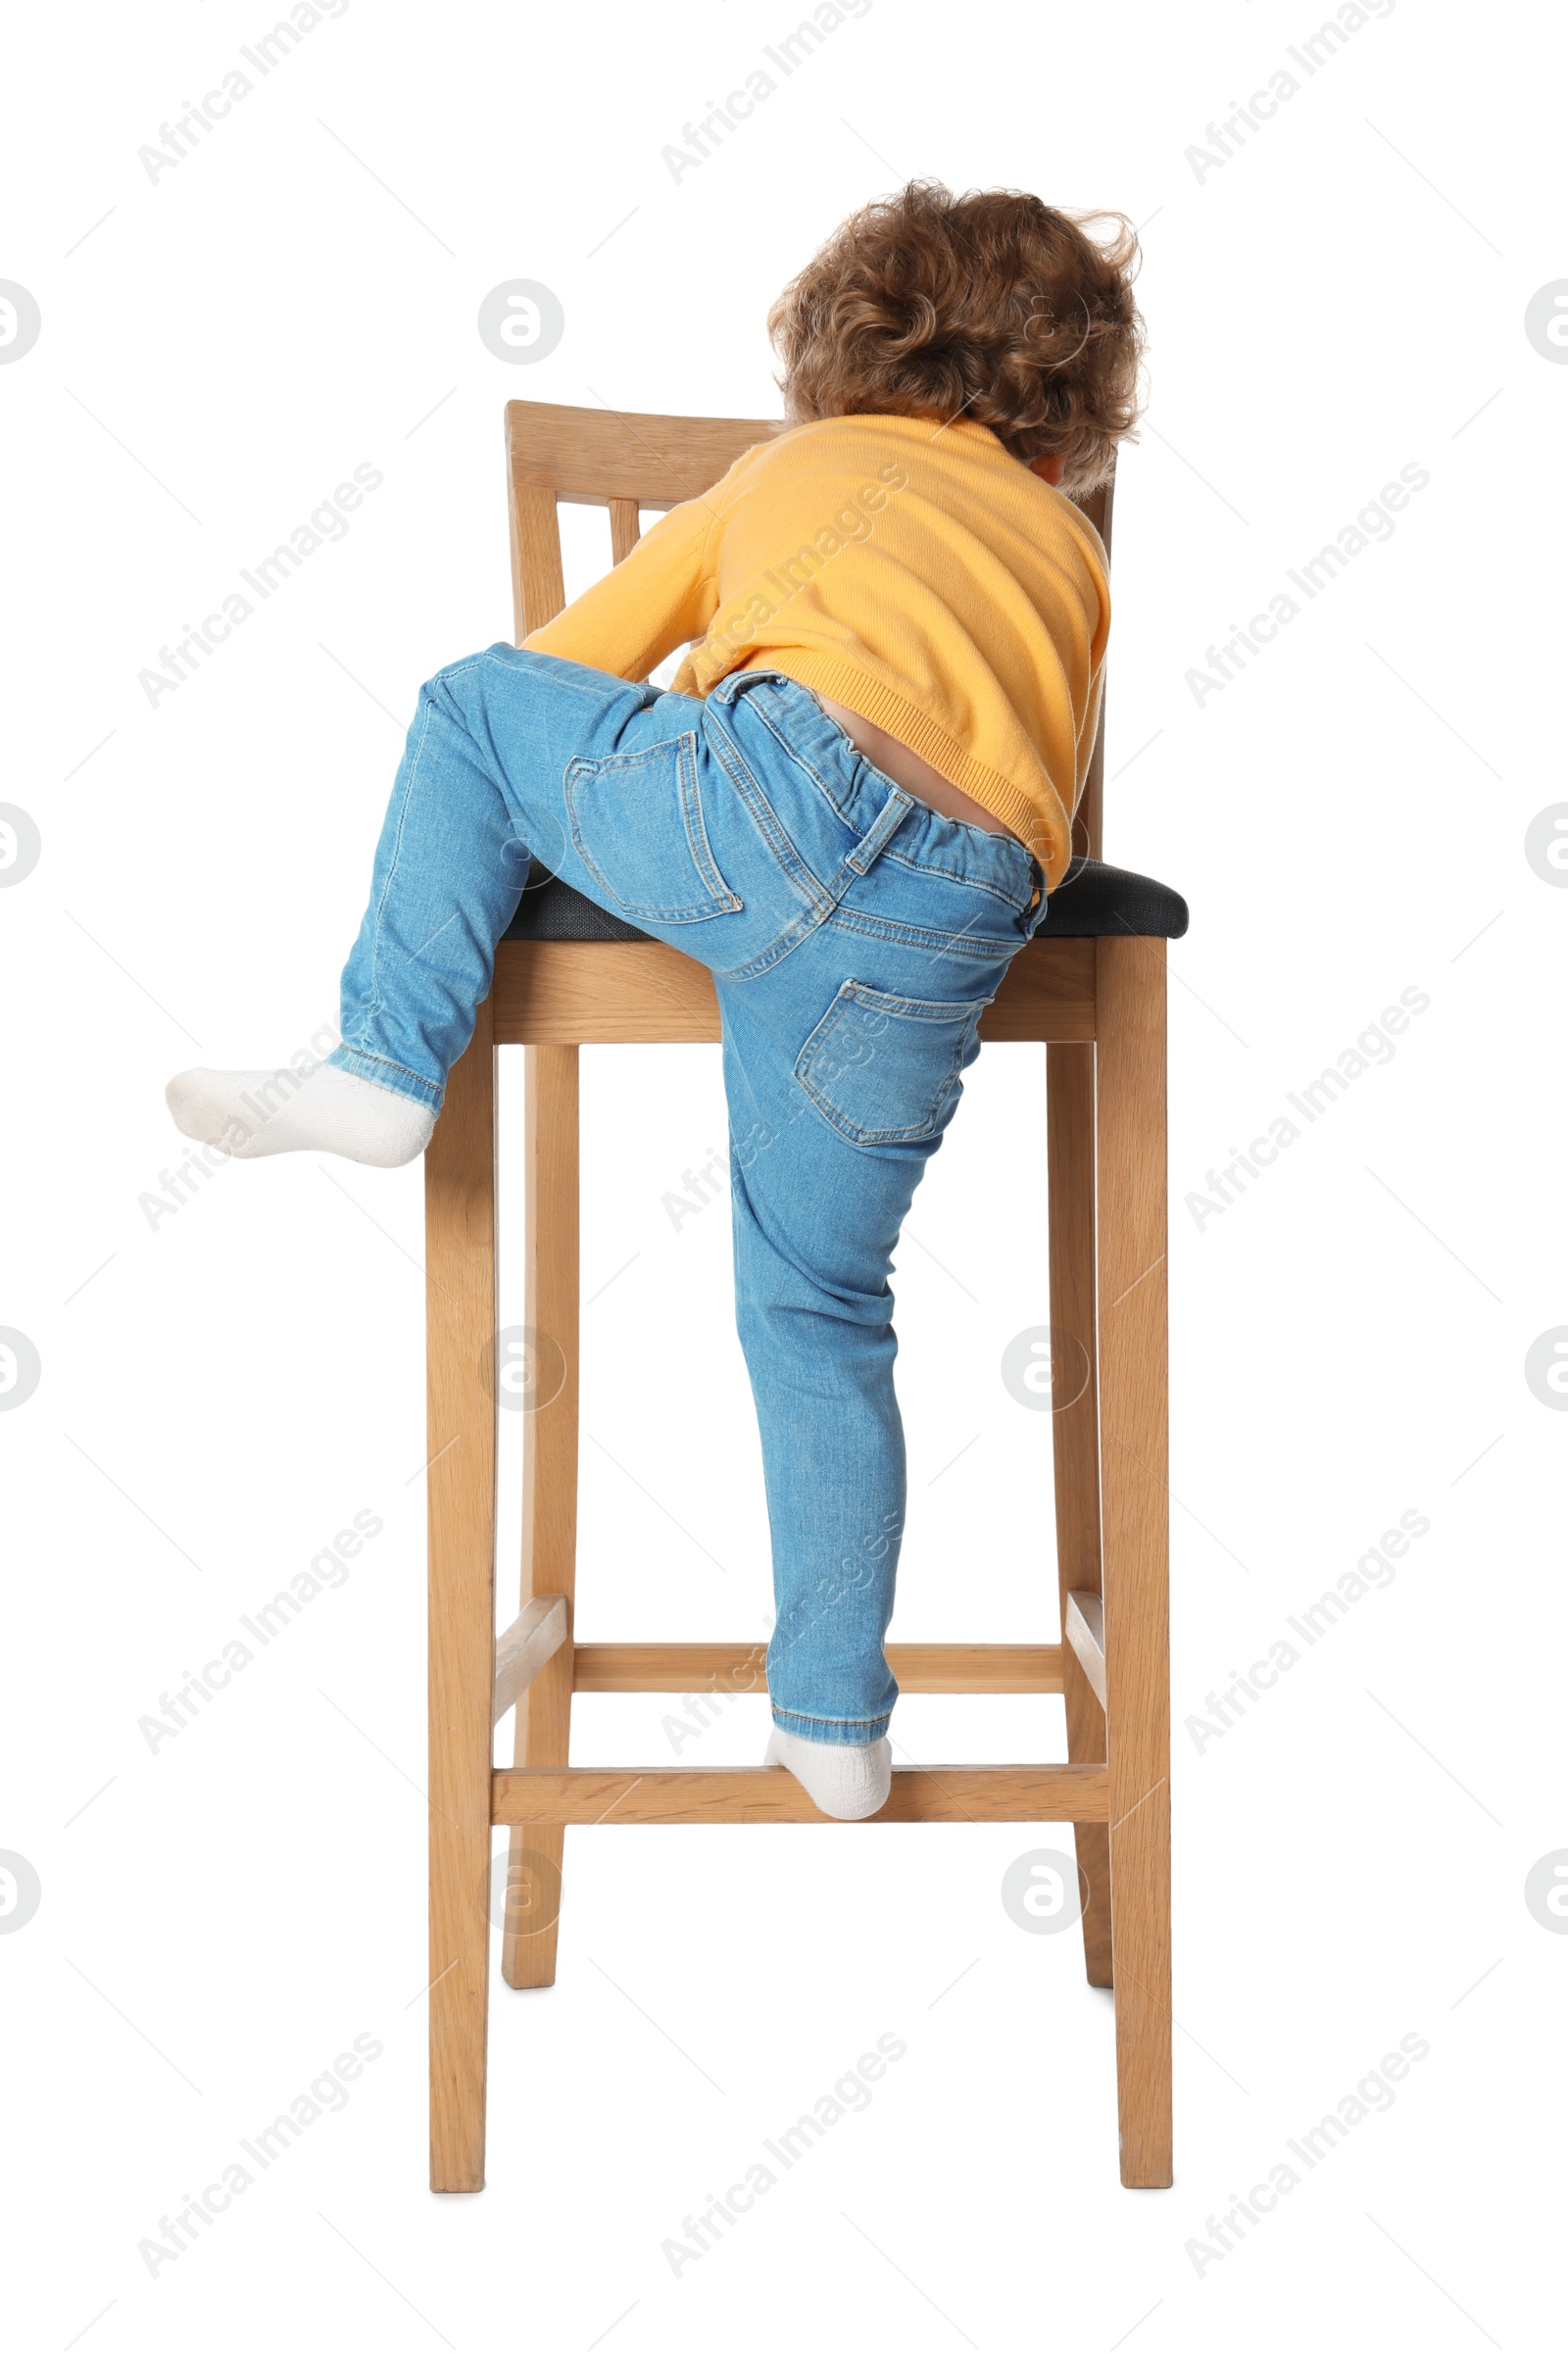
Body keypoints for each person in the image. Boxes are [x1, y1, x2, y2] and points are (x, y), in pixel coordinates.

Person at [168, 180, 1144, 1819]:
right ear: (1067, 426)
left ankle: (384, 1060)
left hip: (763, 795)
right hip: (953, 927)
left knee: (474, 714)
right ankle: (833, 1714)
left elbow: (568, 664)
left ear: (849, 360)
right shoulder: (1067, 546)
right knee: (823, 1309)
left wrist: (715, 702)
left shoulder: (793, 470)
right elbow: (1037, 775)